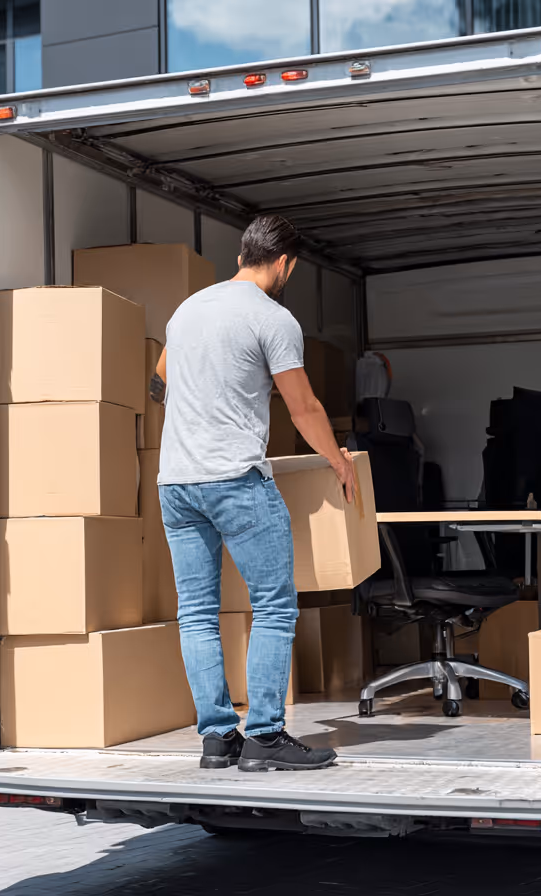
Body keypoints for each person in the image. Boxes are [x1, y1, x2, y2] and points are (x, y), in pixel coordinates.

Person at [151, 214, 358, 773]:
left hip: (176, 483)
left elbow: (157, 379)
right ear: (285, 263)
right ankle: (265, 735)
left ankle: (218, 738)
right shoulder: (274, 319)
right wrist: (338, 460)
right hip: (235, 481)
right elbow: (304, 407)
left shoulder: (188, 308)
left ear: (243, 253)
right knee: (273, 606)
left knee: (196, 613)